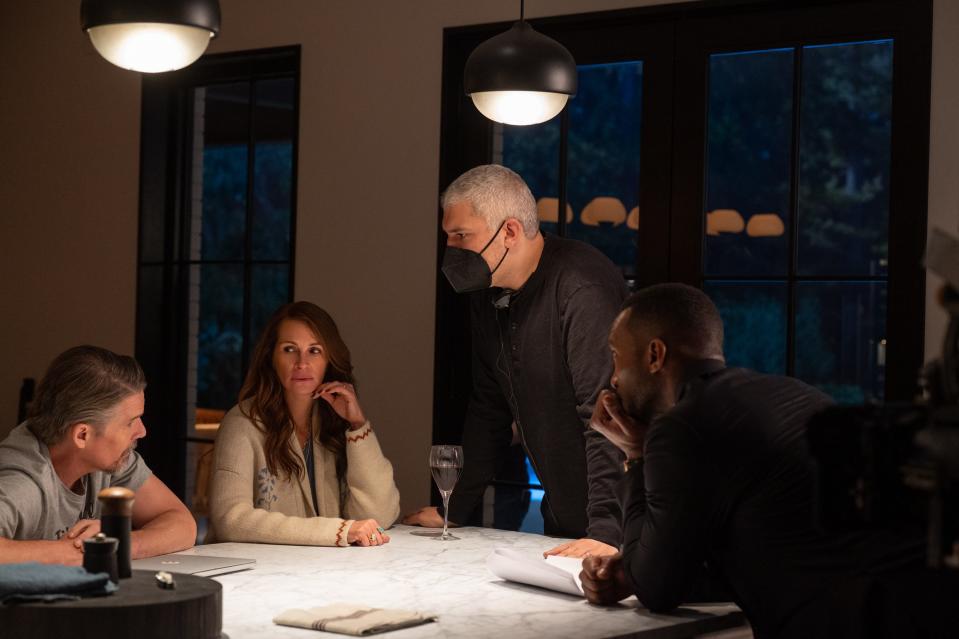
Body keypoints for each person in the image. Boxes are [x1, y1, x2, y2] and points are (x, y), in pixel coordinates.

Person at [580, 283, 925, 638]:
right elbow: (771, 554)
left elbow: (657, 590)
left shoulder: (686, 425)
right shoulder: (796, 393)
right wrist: (640, 568)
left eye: (616, 356)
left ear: (655, 355)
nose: (613, 377)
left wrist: (635, 456)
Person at [404, 164, 627, 557]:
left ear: (508, 232)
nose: (451, 250)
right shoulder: (488, 293)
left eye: (461, 236)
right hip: (565, 520)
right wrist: (452, 510)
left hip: (620, 528)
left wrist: (607, 532)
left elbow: (605, 416)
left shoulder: (580, 287)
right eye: (448, 237)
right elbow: (488, 407)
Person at [208, 301, 400, 547]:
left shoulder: (333, 423)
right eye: (289, 349)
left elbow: (380, 515)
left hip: (318, 574)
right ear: (271, 357)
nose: (301, 363)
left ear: (329, 360)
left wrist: (357, 425)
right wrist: (338, 531)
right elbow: (230, 520)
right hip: (258, 575)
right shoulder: (242, 423)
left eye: (315, 350)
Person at [0, 346, 196, 565]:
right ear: (82, 435)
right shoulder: (24, 482)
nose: (142, 431)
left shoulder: (109, 458)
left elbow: (182, 523)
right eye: (130, 422)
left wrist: (121, 543)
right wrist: (75, 552)